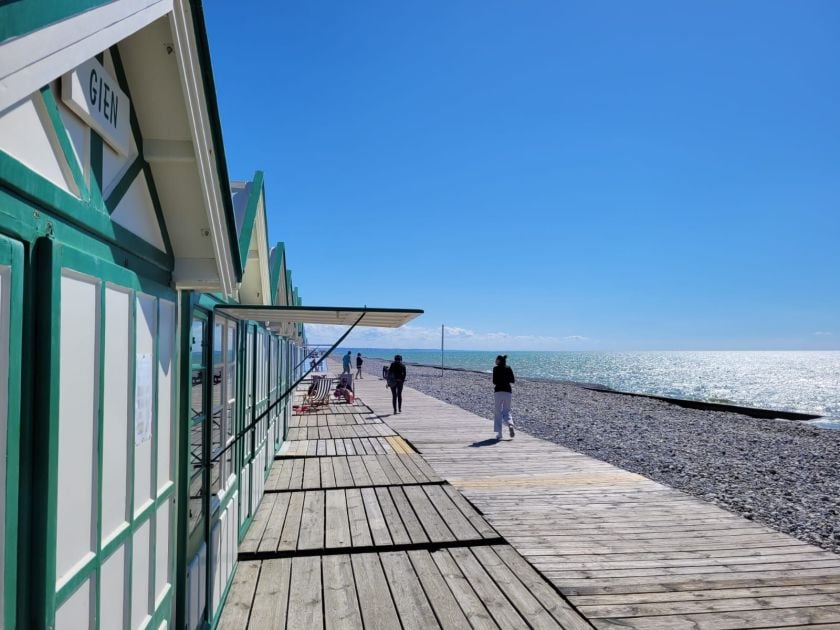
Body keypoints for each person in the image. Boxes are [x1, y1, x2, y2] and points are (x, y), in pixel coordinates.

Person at [492, 354, 516, 440]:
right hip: (508, 392)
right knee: (507, 410)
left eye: (496, 359)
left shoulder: (495, 369)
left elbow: (494, 382)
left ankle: (500, 433)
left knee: (498, 411)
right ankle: (510, 424)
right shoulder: (508, 368)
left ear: (499, 360)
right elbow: (513, 380)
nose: (495, 361)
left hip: (498, 391)